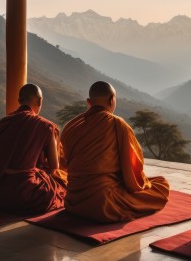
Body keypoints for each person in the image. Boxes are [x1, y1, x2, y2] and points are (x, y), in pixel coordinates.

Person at [61, 81, 169, 223]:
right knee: (161, 185)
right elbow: (131, 179)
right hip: (103, 204)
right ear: (112, 99)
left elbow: (63, 165)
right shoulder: (117, 124)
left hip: (73, 200)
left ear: (89, 102)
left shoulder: (71, 125)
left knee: (155, 182)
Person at [0, 84, 67, 214]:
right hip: (24, 194)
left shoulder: (3, 122)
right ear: (40, 100)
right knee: (62, 183)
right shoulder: (47, 126)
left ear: (19, 101)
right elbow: (54, 166)